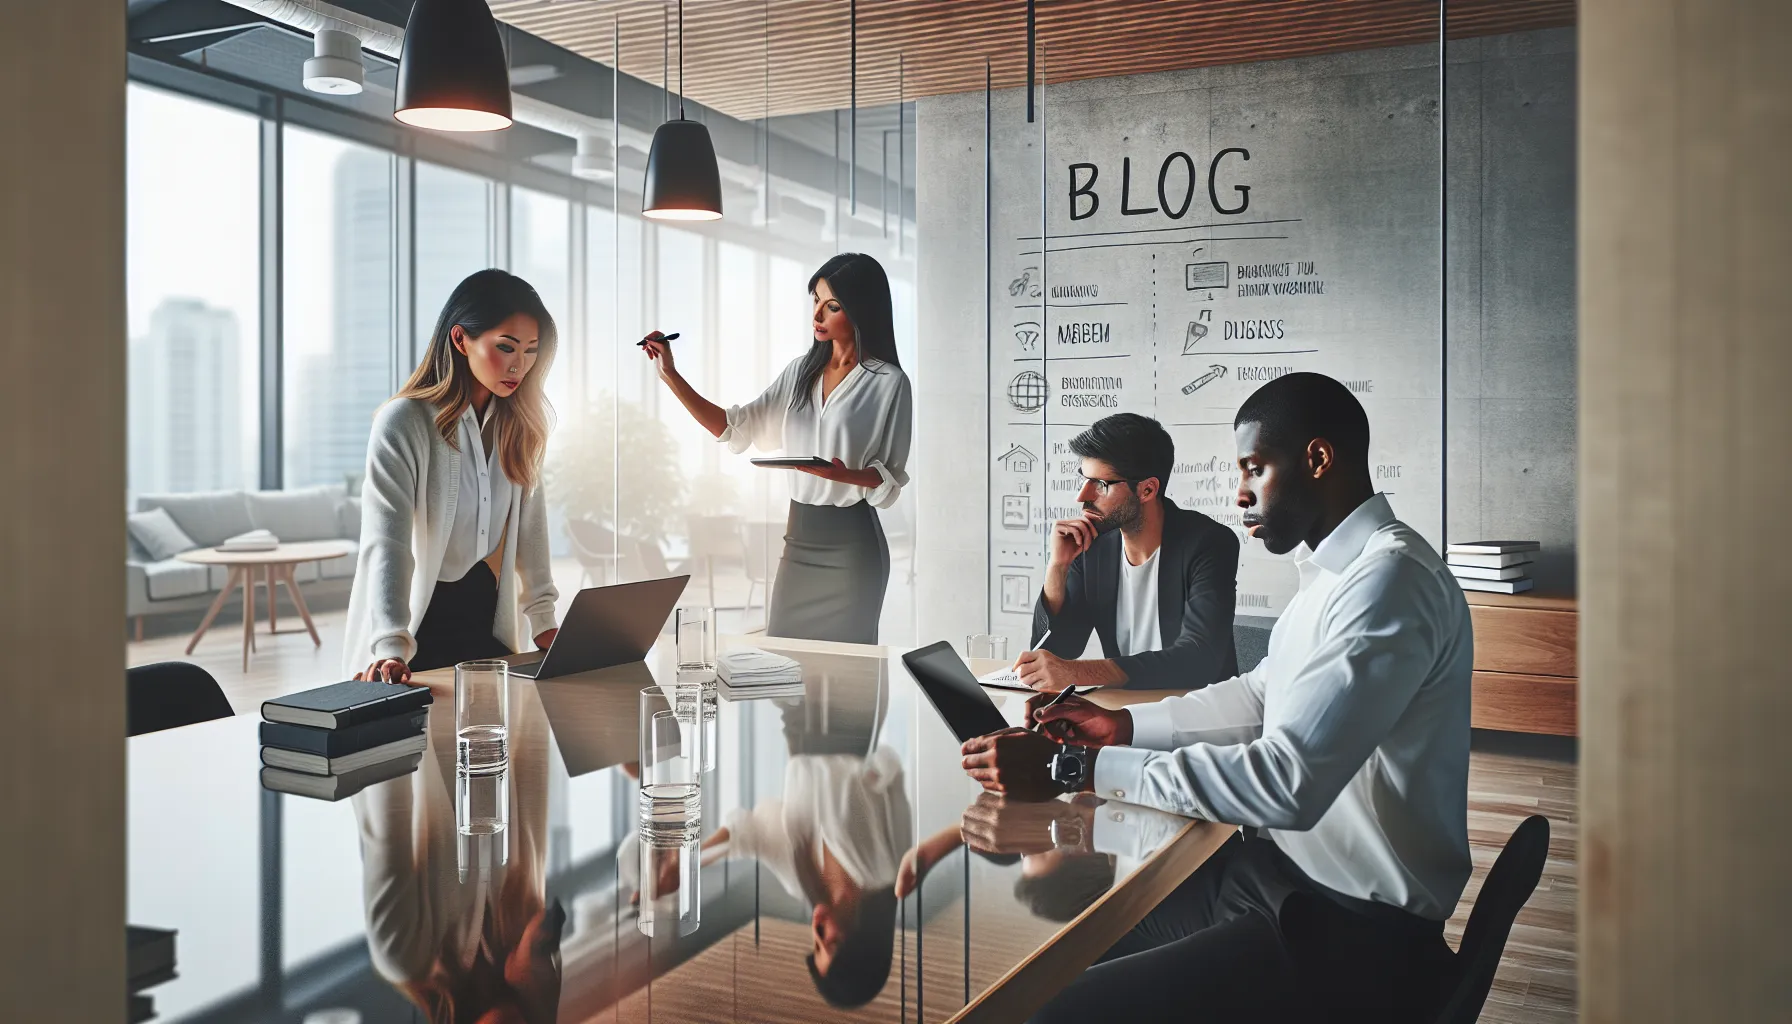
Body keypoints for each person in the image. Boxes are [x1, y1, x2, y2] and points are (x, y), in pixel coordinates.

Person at [960, 372, 1473, 1023]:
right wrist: (1119, 727)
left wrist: (1078, 769)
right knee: (1061, 953)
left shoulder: (1388, 584)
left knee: (1049, 1009)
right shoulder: (1338, 573)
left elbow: (1287, 782)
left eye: (1254, 469)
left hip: (1347, 931)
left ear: (1317, 460)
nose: (1239, 493)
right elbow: (1260, 696)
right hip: (1281, 876)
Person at [641, 253, 912, 644]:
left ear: (861, 310)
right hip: (799, 538)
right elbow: (736, 428)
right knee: (785, 661)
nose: (817, 314)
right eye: (815, 300)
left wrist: (842, 474)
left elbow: (889, 479)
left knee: (849, 680)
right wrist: (670, 375)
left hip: (853, 548)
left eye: (832, 306)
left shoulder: (890, 383)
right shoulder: (799, 372)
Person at [343, 269, 561, 682]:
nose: (520, 366)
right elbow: (385, 542)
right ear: (461, 340)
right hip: (414, 628)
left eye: (531, 350)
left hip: (483, 623)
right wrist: (390, 645)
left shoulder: (520, 426)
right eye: (506, 347)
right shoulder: (403, 421)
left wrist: (545, 622)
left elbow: (532, 534)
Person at [1018, 412, 1239, 692]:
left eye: (1101, 484)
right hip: (1126, 713)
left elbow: (1198, 658)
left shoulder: (1209, 543)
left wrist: (1079, 673)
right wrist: (1057, 567)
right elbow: (1056, 651)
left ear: (1147, 489)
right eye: (1084, 479)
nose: (1082, 495)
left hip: (1199, 714)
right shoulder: (1092, 548)